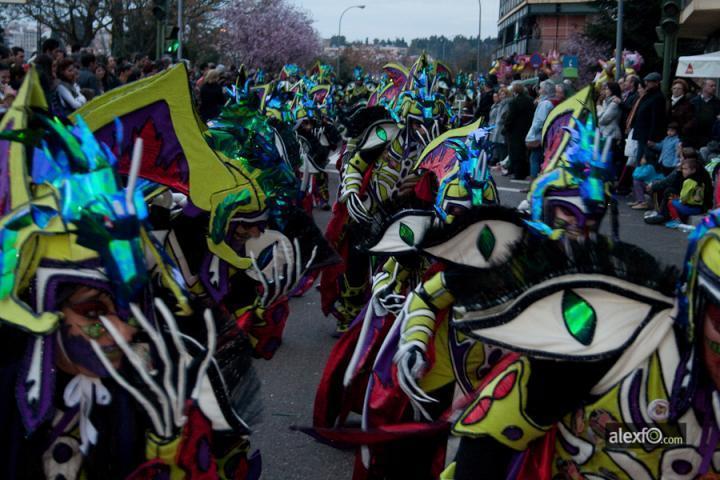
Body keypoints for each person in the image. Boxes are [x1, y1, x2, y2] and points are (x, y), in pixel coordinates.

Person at [504, 81, 534, 180]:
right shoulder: (530, 100)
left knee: (515, 152)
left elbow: (510, 117)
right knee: (525, 152)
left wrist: (506, 128)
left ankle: (517, 173)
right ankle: (525, 171)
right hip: (527, 128)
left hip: (515, 131)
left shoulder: (514, 102)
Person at [525, 79, 555, 178]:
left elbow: (540, 121)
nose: (539, 90)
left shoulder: (545, 104)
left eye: (541, 88)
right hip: (542, 135)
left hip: (539, 136)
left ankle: (534, 182)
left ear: (545, 90)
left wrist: (532, 133)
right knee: (538, 158)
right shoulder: (545, 102)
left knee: (534, 159)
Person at [689, 79, 720, 148]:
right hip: (695, 135)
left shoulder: (717, 103)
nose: (714, 88)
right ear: (704, 87)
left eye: (715, 86)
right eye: (711, 86)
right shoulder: (693, 101)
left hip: (710, 136)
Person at [489, 86, 510, 165]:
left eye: (503, 94)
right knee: (499, 146)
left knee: (502, 147)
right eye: (500, 94)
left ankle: (501, 163)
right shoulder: (501, 104)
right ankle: (499, 162)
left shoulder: (506, 104)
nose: (501, 96)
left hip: (502, 127)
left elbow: (503, 116)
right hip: (497, 127)